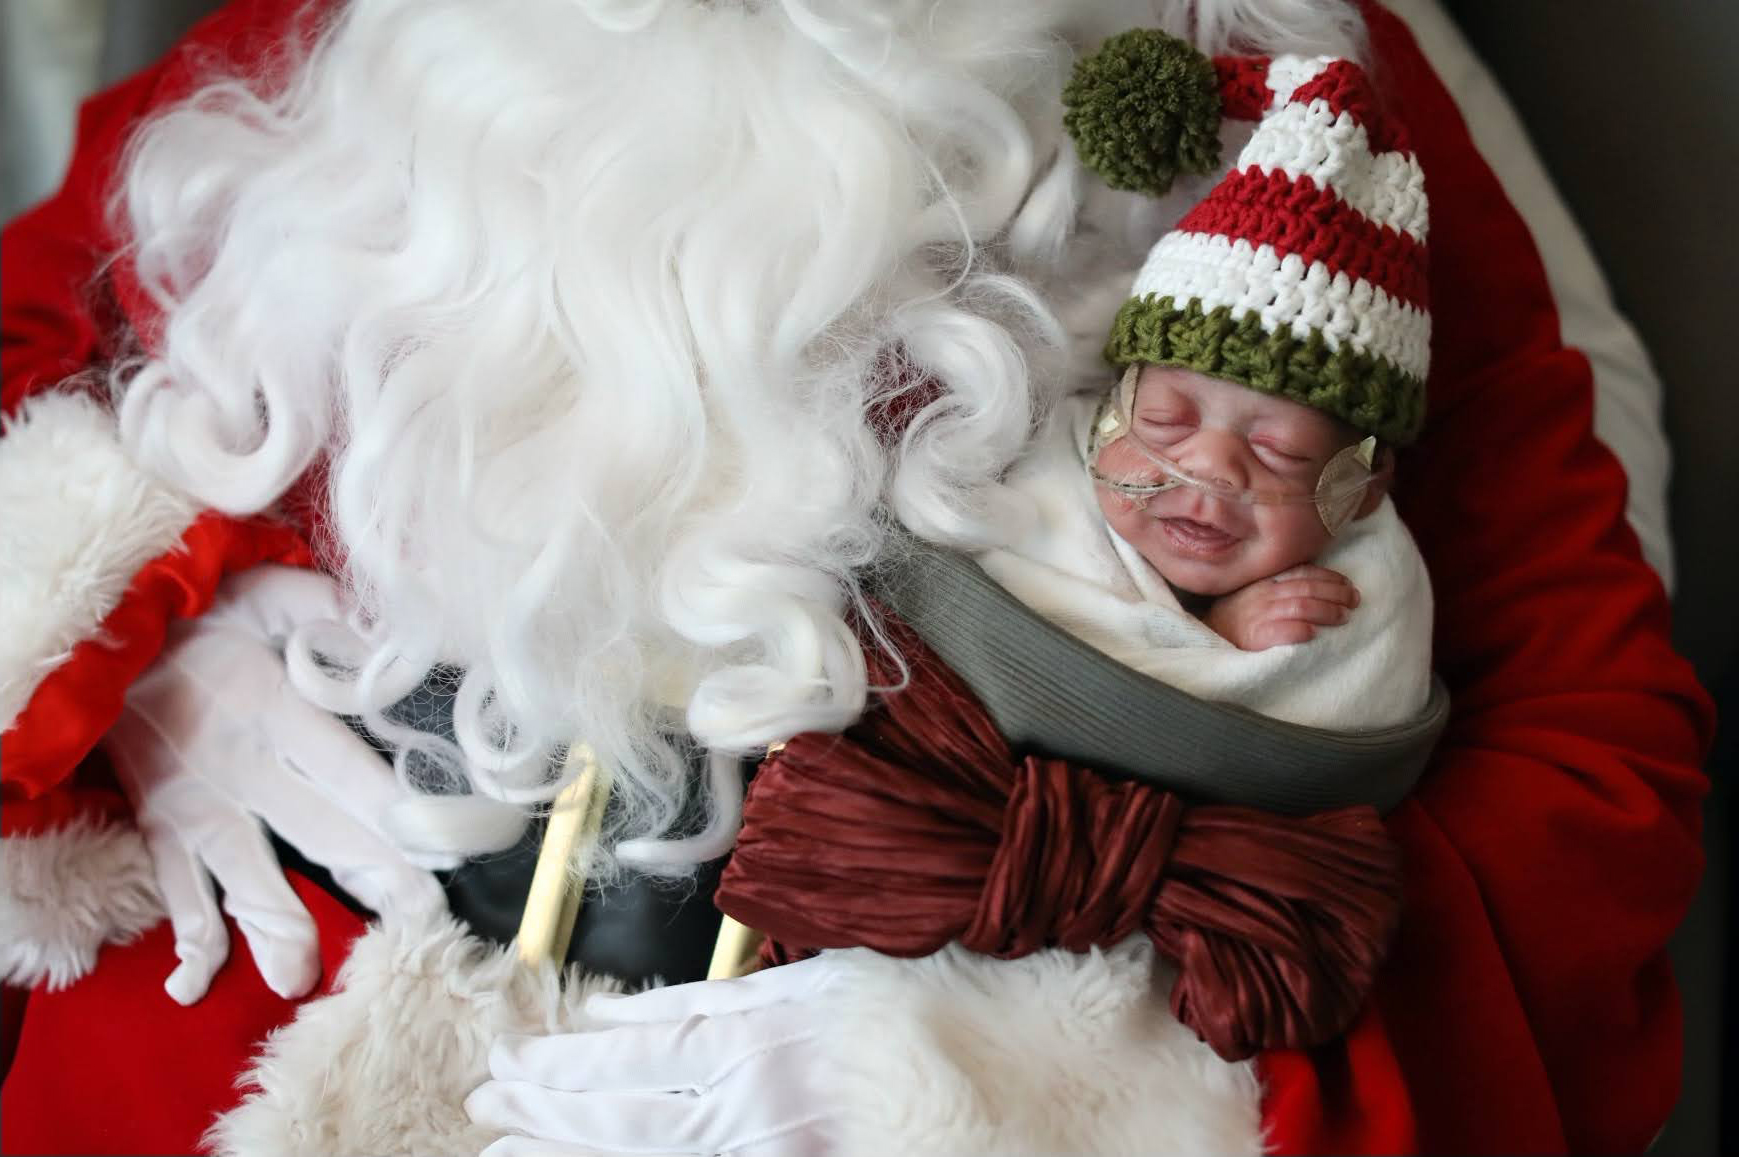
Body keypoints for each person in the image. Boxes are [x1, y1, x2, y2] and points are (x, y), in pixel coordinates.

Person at [0, 1, 1710, 1155]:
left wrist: (1070, 1085)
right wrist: (134, 644)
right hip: (247, 1055)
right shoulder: (332, 30)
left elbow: (1586, 761)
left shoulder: (1283, 85)